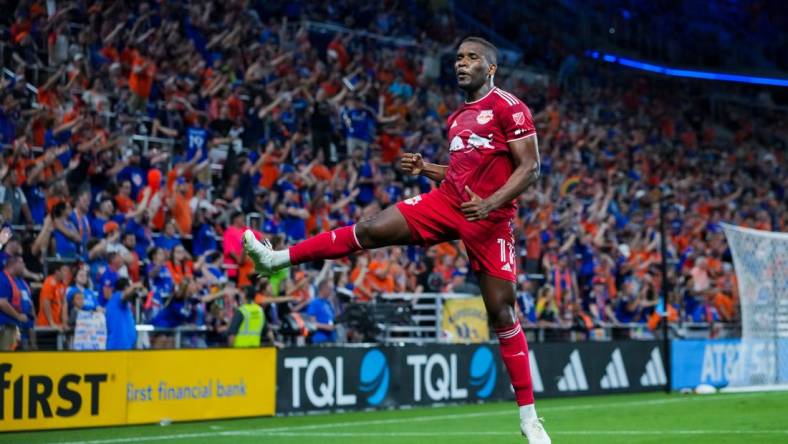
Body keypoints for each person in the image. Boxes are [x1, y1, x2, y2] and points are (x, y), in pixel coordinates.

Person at [244, 36, 550, 442]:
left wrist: (491, 204)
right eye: (458, 57)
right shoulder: (457, 117)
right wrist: (427, 169)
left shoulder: (508, 107)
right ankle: (277, 259)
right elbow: (463, 174)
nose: (461, 63)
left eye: (472, 58)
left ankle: (529, 419)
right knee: (370, 229)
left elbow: (530, 168)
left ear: (490, 68)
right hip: (448, 202)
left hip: (489, 220)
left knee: (502, 315)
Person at [105, 278, 146, 350]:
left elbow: (145, 292)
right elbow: (125, 294)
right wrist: (135, 286)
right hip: (118, 346)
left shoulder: (122, 303)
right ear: (126, 287)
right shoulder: (117, 297)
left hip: (125, 346)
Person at [0, 256, 31, 350]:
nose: (24, 265)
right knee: (6, 356)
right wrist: (18, 316)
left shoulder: (17, 281)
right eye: (21, 263)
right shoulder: (2, 279)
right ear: (13, 264)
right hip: (5, 326)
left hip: (16, 326)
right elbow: (2, 302)